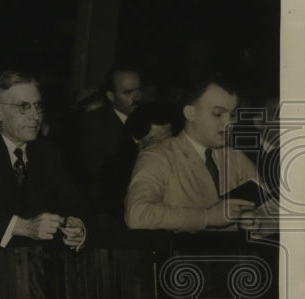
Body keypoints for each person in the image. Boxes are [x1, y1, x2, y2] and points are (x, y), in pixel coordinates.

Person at [0, 70, 87, 249]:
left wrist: (76, 227)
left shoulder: (49, 152)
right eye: (24, 107)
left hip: (39, 266)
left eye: (38, 106)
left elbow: (72, 201)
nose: (36, 116)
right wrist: (21, 227)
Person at [125, 75, 264, 232]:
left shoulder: (236, 158)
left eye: (232, 115)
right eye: (217, 114)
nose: (229, 123)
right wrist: (207, 217)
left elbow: (275, 210)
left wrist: (258, 220)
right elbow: (137, 215)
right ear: (190, 113)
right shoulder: (158, 157)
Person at [76, 66, 143, 227]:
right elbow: (95, 175)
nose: (137, 97)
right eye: (128, 92)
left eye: (138, 90)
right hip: (107, 214)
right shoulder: (94, 124)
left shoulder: (146, 118)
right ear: (110, 96)